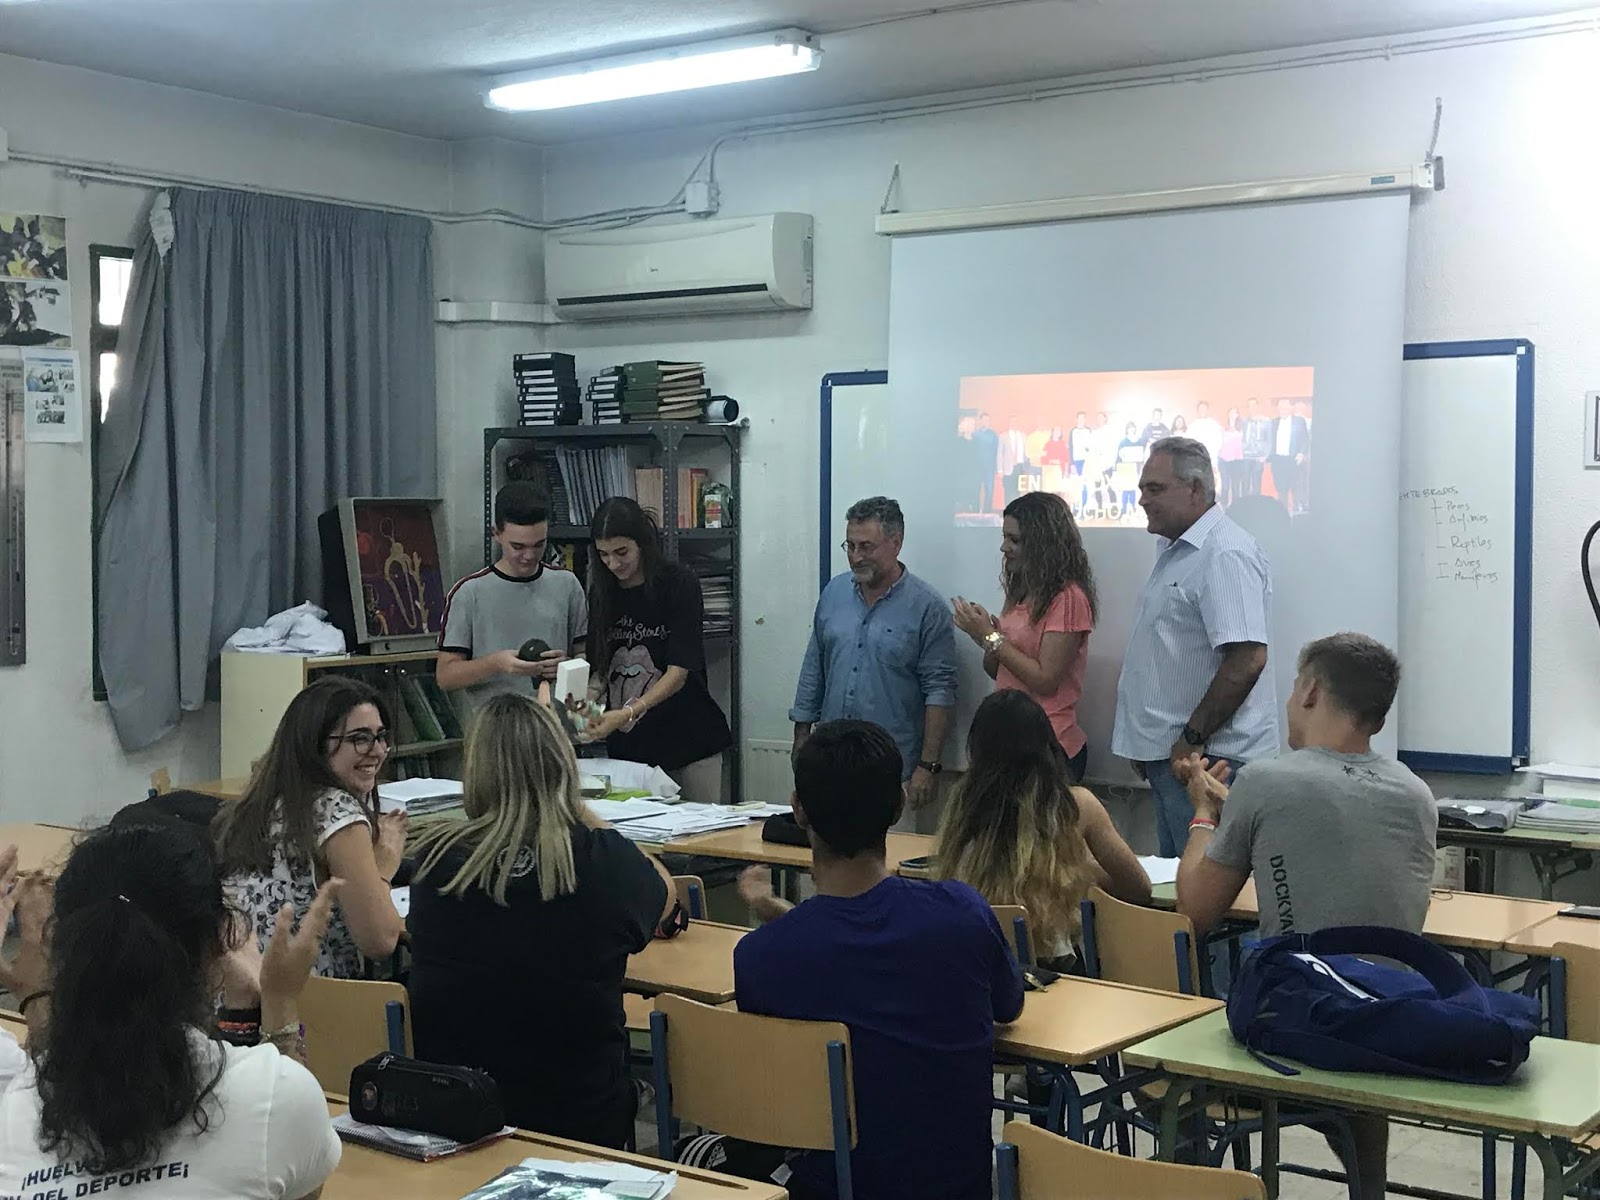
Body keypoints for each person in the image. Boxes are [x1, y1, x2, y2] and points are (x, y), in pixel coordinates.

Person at [1175, 632, 1435, 1200]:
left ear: (1311, 691)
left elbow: (1194, 912)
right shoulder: (1417, 793)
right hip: (1390, 1028)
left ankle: (1192, 1179)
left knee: (1168, 1053)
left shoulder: (1266, 779)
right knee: (1360, 982)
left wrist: (1204, 815)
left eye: (1295, 689)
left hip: (1295, 1025)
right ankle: (1368, 1187)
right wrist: (1241, 812)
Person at [716, 721, 1024, 1200]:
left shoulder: (763, 956)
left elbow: (780, 1089)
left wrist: (777, 915)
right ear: (899, 804)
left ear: (798, 808)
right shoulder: (963, 913)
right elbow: (1008, 1005)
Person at [0, 825, 342, 1199]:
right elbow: (302, 1185)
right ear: (218, 944)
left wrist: (34, 998)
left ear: (58, 949)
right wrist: (279, 1003)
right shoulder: (275, 1094)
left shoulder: (15, 1112)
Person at [407, 692, 675, 1148]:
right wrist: (575, 807)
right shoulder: (601, 860)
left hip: (457, 1119)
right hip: (580, 1124)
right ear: (563, 766)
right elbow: (665, 897)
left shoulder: (435, 861)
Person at [1112, 436, 1278, 858]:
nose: (1142, 500)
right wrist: (1148, 743)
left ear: (1196, 489)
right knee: (1178, 880)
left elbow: (1247, 658)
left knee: (1202, 884)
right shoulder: (1177, 550)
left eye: (1155, 489)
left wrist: (1190, 738)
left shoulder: (1224, 553)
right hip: (1178, 757)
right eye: (1142, 488)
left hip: (1210, 760)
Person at [935, 690, 1150, 965]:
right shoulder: (1074, 805)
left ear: (974, 749)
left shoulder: (962, 803)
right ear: (1048, 746)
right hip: (1050, 965)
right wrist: (1078, 870)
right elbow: (1138, 888)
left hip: (973, 959)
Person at [214, 676, 407, 977]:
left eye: (381, 736)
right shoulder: (336, 810)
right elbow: (380, 941)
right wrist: (384, 867)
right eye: (360, 738)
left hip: (241, 990)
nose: (378, 750)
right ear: (315, 745)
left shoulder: (262, 800)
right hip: (307, 997)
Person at [791, 497, 958, 820]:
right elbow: (814, 666)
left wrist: (928, 765)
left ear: (896, 543)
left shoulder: (927, 607)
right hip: (829, 763)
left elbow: (939, 691)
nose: (856, 557)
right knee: (826, 849)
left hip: (893, 771)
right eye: (850, 546)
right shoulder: (834, 593)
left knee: (889, 852)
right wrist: (801, 736)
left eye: (866, 546)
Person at [580, 497, 733, 804]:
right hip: (631, 748)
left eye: (622, 552)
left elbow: (678, 673)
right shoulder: (602, 593)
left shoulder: (678, 583)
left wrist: (627, 712)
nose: (613, 563)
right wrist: (586, 711)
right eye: (603, 554)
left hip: (689, 740)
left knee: (697, 830)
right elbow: (601, 671)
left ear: (642, 543)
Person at [950, 491, 1097, 778]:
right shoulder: (1021, 590)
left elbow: (1045, 681)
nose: (1004, 548)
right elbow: (999, 672)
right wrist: (984, 636)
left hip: (1049, 746)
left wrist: (991, 637)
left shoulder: (1068, 598)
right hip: (1009, 740)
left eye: (1014, 540)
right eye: (1004, 537)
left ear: (1042, 544)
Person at [436, 481, 587, 716]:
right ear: (496, 533)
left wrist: (567, 666)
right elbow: (445, 677)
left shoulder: (567, 585)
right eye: (518, 546)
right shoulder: (468, 593)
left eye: (539, 545)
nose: (529, 556)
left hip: (555, 726)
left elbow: (585, 656)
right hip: (495, 728)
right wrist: (495, 664)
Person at [1269, 397, 1312, 514]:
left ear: (1290, 408)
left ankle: (1297, 512)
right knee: (1281, 489)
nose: (1282, 410)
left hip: (1293, 459)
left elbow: (1305, 440)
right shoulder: (1274, 422)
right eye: (1280, 408)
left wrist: (1301, 453)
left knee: (1295, 488)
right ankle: (1283, 513)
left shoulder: (1299, 421)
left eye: (1284, 407)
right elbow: (1269, 441)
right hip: (1278, 460)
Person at [1240, 398, 1273, 497]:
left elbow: (1269, 440)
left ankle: (1256, 504)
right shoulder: (1244, 421)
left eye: (1254, 405)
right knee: (1245, 483)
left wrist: (1266, 455)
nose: (1252, 408)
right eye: (1249, 405)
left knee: (1256, 483)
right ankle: (1244, 504)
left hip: (1259, 457)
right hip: (1245, 456)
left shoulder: (1266, 421)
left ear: (1258, 406)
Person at [1114, 421, 1146, 516]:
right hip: (1125, 467)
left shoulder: (1139, 441)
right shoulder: (1123, 442)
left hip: (1135, 467)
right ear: (1126, 430)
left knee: (1132, 487)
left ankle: (1132, 505)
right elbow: (1119, 456)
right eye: (1129, 428)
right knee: (1125, 487)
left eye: (1133, 427)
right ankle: (1124, 507)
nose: (1131, 429)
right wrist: (1117, 467)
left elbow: (1142, 454)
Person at [972, 413, 1000, 513]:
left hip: (989, 468)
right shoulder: (975, 435)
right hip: (977, 467)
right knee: (976, 489)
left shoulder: (993, 435)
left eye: (987, 420)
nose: (986, 422)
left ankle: (987, 511)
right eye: (984, 420)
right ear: (980, 421)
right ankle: (975, 511)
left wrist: (996, 467)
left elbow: (996, 452)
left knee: (989, 490)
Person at [1217, 408, 1244, 507]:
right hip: (1223, 460)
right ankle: (1223, 507)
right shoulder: (1223, 429)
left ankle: (1235, 508)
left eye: (1235, 412)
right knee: (1225, 486)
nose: (1232, 414)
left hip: (1237, 461)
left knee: (1235, 486)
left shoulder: (1242, 428)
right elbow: (1220, 444)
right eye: (1230, 413)